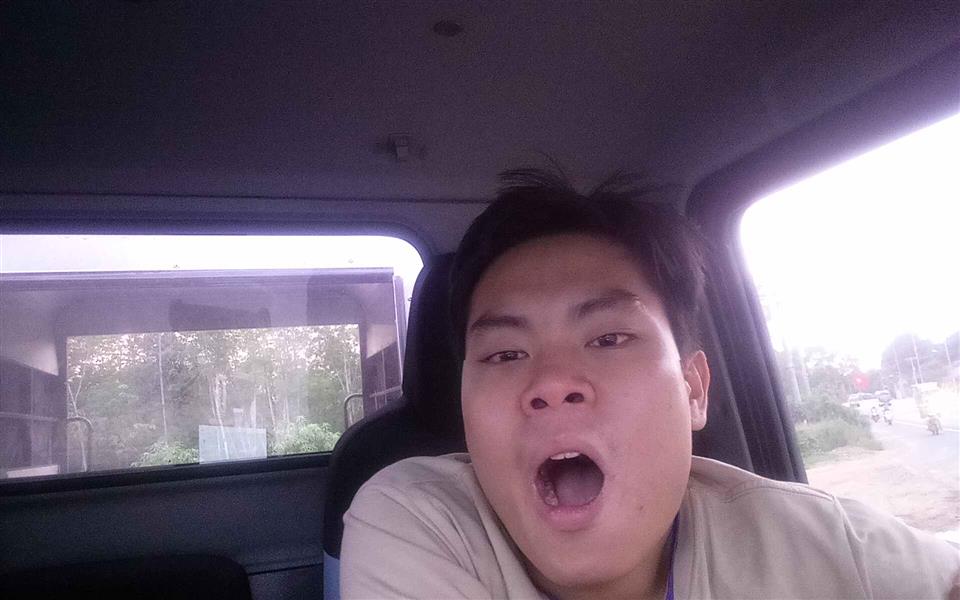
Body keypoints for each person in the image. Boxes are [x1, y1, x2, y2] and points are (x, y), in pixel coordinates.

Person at [341, 169, 960, 599]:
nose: (551, 383)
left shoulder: (825, 546)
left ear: (693, 390)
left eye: (609, 339)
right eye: (505, 353)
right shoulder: (416, 521)